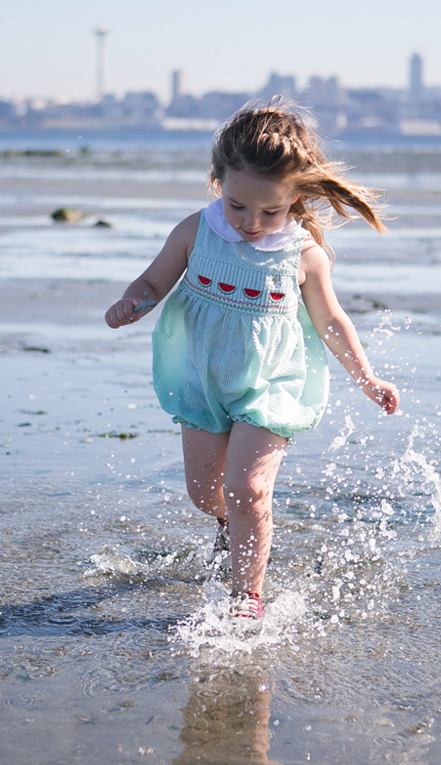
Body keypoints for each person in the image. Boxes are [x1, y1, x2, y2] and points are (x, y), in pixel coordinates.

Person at [105, 104, 399, 623]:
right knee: (205, 494)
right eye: (239, 206)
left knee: (248, 488)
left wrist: (366, 377)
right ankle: (236, 524)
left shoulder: (303, 255)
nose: (251, 223)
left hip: (272, 383)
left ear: (296, 198)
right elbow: (153, 281)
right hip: (202, 378)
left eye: (270, 212)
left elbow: (331, 321)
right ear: (217, 182)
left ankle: (246, 595)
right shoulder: (197, 230)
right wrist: (134, 303)